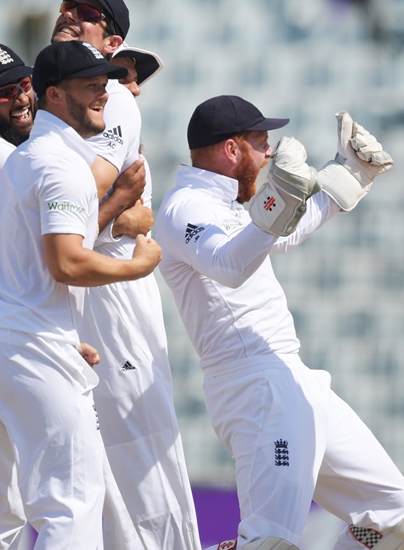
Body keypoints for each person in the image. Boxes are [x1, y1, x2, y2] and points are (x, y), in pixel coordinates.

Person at [0, 0, 199, 550]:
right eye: (67, 5)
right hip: (59, 291)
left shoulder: (107, 104)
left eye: (84, 12)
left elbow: (87, 197)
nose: (68, 13)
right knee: (64, 488)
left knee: (132, 446)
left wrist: (5, 185)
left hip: (95, 297)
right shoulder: (32, 94)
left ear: (111, 47)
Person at [154, 95, 404, 550]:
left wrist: (348, 176)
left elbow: (279, 237)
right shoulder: (184, 207)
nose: (268, 153)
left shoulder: (229, 204)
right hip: (255, 386)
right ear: (232, 150)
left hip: (293, 377)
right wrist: (278, 198)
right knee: (268, 543)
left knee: (392, 522)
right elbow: (228, 265)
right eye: (259, 142)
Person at [0, 40, 161, 550]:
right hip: (29, 348)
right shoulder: (61, 166)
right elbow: (66, 262)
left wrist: (61, 330)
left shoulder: (26, 160)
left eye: (105, 83)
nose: (104, 94)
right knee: (71, 505)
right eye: (91, 86)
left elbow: (26, 263)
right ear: (55, 95)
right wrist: (136, 267)